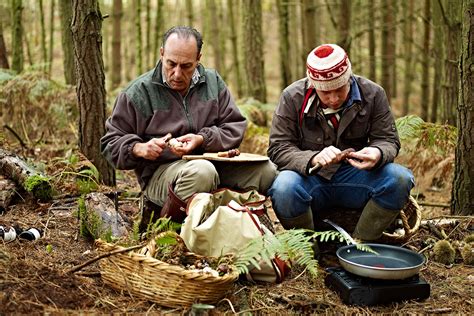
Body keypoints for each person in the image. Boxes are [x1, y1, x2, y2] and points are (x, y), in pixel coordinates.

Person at [101, 26, 276, 231]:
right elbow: (110, 143)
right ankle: (165, 234)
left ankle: (243, 231)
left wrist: (202, 139)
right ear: (161, 53)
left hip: (214, 163)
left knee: (267, 171)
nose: (177, 73)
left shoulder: (212, 82)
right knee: (202, 172)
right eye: (171, 64)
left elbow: (234, 126)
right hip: (161, 174)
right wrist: (139, 148)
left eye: (186, 66)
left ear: (198, 59)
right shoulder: (139, 92)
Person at [268, 44, 414, 241]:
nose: (333, 99)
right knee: (284, 186)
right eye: (325, 92)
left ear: (349, 79)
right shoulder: (292, 97)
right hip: (310, 179)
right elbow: (278, 147)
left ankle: (362, 246)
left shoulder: (373, 94)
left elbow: (388, 139)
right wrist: (312, 158)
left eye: (339, 89)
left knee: (400, 178)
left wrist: (378, 153)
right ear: (313, 85)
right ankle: (309, 254)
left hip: (357, 176)